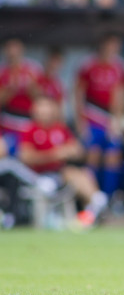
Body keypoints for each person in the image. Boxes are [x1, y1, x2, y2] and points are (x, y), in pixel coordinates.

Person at [17, 95, 108, 227]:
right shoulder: (29, 130)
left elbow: (79, 151)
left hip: (59, 173)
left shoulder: (60, 129)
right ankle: (93, 207)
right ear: (35, 110)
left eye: (47, 107)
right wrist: (55, 154)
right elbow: (25, 157)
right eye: (42, 107)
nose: (45, 111)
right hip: (37, 176)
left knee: (80, 173)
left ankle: (96, 203)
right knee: (67, 174)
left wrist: (73, 150)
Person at [74, 35, 124, 200]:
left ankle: (109, 198)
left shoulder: (119, 67)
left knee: (113, 158)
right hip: (92, 116)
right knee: (93, 156)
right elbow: (78, 94)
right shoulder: (89, 65)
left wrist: (117, 121)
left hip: (109, 120)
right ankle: (92, 199)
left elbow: (119, 95)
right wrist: (80, 122)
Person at [0, 39, 42, 156]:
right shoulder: (3, 71)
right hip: (8, 120)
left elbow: (40, 98)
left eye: (16, 50)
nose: (13, 54)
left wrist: (31, 88)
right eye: (10, 50)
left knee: (27, 153)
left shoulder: (32, 69)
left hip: (28, 120)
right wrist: (9, 89)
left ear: (22, 51)